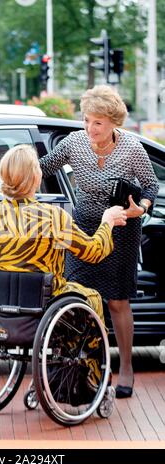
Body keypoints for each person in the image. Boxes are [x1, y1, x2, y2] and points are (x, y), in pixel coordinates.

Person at [39, 85, 159, 399]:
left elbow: (150, 185)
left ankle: (126, 368)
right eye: (87, 120)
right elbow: (42, 168)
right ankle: (87, 367)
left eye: (98, 123)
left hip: (121, 229)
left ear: (113, 123)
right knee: (78, 297)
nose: (90, 128)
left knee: (117, 300)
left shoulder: (131, 148)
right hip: (85, 229)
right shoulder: (75, 143)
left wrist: (141, 209)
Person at [0, 144, 127, 329]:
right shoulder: (53, 217)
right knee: (92, 296)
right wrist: (107, 222)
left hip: (2, 302)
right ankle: (90, 356)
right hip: (48, 301)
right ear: (36, 177)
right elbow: (94, 252)